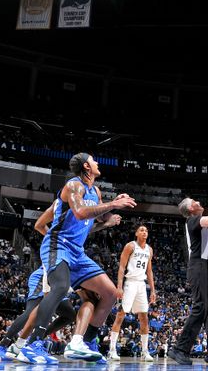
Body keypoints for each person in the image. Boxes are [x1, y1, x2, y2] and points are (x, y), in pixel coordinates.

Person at [17, 153, 136, 364]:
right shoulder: (74, 185)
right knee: (61, 288)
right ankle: (32, 344)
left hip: (77, 251)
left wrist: (116, 203)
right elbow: (81, 212)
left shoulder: (95, 190)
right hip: (57, 245)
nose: (98, 162)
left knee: (109, 293)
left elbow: (101, 216)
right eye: (94, 160)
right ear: (86, 167)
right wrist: (112, 205)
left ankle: (85, 342)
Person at [167, 199, 208, 365]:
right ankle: (180, 349)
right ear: (191, 209)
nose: (198, 201)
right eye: (194, 201)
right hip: (198, 265)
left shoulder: (200, 224)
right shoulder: (192, 220)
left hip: (207, 265)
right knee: (200, 306)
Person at [108, 224, 157, 362]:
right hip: (130, 283)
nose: (144, 232)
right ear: (136, 233)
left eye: (146, 230)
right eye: (142, 230)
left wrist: (153, 290)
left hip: (142, 284)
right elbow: (122, 266)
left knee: (144, 318)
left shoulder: (149, 250)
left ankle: (145, 351)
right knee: (120, 315)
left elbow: (149, 271)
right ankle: (112, 350)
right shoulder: (130, 246)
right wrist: (119, 286)